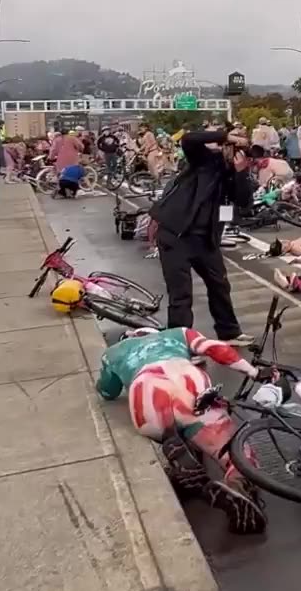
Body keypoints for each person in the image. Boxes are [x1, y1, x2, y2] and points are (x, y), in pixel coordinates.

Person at [95, 325, 267, 532]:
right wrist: (254, 372)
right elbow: (215, 348)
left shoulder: (114, 352)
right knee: (234, 451)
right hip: (187, 381)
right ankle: (238, 484)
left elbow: (107, 391)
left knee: (168, 429)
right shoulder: (178, 334)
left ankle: (179, 453)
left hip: (146, 390)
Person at [149, 128, 253, 339]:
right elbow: (189, 138)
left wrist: (241, 172)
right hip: (176, 235)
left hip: (206, 239)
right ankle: (179, 342)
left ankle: (229, 332)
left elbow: (244, 203)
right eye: (234, 145)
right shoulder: (204, 159)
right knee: (181, 294)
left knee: (220, 285)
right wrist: (226, 136)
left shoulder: (233, 171)